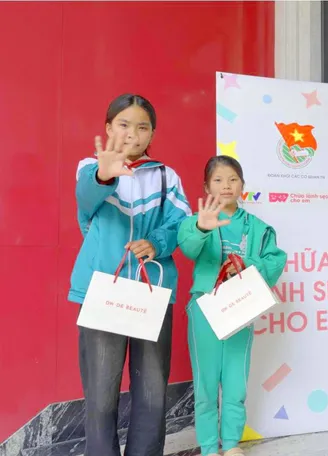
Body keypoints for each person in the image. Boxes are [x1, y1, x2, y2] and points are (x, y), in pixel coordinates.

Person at [71, 94, 192, 456]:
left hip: (152, 291)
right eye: (123, 124)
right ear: (108, 128)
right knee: (100, 393)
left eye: (142, 127)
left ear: (152, 133)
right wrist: (103, 174)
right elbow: (86, 199)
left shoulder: (167, 177)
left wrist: (156, 242)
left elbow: (181, 224)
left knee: (152, 392)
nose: (132, 134)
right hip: (102, 292)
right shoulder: (91, 168)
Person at [178, 156, 286, 456]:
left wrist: (246, 263)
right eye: (218, 180)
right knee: (206, 381)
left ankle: (231, 444)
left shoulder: (258, 228)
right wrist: (201, 229)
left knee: (236, 380)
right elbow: (188, 247)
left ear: (242, 185)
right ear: (206, 187)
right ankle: (209, 447)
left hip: (242, 306)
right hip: (204, 307)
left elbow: (275, 261)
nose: (226, 185)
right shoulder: (196, 221)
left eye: (232, 179)